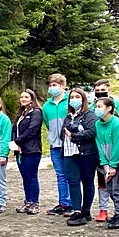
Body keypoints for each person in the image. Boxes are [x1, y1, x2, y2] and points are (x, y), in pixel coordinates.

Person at [91, 79, 119, 222]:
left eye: (100, 106)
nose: (97, 109)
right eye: (96, 106)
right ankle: (110, 210)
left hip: (117, 162)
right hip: (104, 161)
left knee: (118, 189)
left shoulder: (117, 123)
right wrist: (104, 163)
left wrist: (112, 165)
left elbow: (117, 145)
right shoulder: (97, 124)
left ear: (109, 108)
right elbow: (99, 144)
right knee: (108, 188)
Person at [61, 88, 99, 227]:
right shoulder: (68, 116)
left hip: (86, 153)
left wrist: (74, 135)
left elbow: (92, 132)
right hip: (69, 153)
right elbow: (63, 133)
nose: (74, 99)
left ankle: (86, 210)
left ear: (83, 99)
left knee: (87, 181)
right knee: (73, 181)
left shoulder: (90, 115)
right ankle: (77, 210)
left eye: (77, 96)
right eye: (72, 97)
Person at [43, 73, 73, 215]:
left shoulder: (70, 101)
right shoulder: (46, 106)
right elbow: (48, 124)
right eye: (50, 85)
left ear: (63, 86)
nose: (51, 88)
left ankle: (74, 203)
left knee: (71, 175)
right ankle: (63, 203)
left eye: (54, 85)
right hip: (55, 145)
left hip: (70, 144)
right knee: (60, 175)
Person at [12, 89, 44, 215]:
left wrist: (18, 141)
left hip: (32, 150)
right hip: (20, 151)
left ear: (32, 99)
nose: (23, 99)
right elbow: (14, 129)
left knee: (32, 176)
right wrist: (14, 142)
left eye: (26, 97)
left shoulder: (36, 113)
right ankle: (28, 201)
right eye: (21, 97)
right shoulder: (21, 114)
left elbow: (32, 130)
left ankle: (35, 203)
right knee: (25, 176)